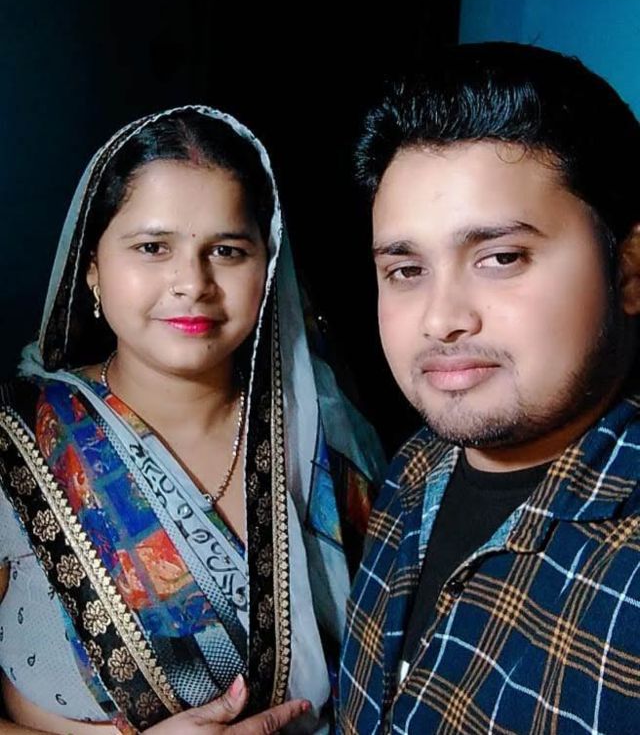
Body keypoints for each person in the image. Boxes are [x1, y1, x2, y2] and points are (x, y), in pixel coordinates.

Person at [0, 105, 385, 734]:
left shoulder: (323, 435)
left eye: (227, 251)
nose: (192, 282)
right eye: (153, 247)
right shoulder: (19, 442)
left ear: (268, 266)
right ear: (92, 267)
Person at [338, 42, 640, 733]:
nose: (441, 318)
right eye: (406, 270)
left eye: (500, 258)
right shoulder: (415, 468)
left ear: (628, 269)